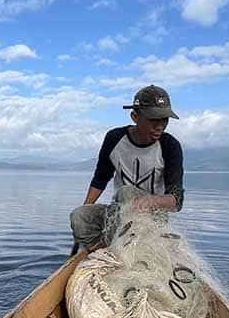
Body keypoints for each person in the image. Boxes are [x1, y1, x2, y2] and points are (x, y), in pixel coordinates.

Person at [70, 84, 184, 251]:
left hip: (152, 219)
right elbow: (101, 178)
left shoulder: (170, 146)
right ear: (135, 117)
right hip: (118, 214)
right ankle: (106, 252)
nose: (159, 126)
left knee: (126, 192)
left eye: (164, 120)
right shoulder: (114, 138)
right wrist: (86, 206)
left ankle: (130, 249)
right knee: (79, 216)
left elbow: (177, 200)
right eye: (153, 120)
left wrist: (150, 200)